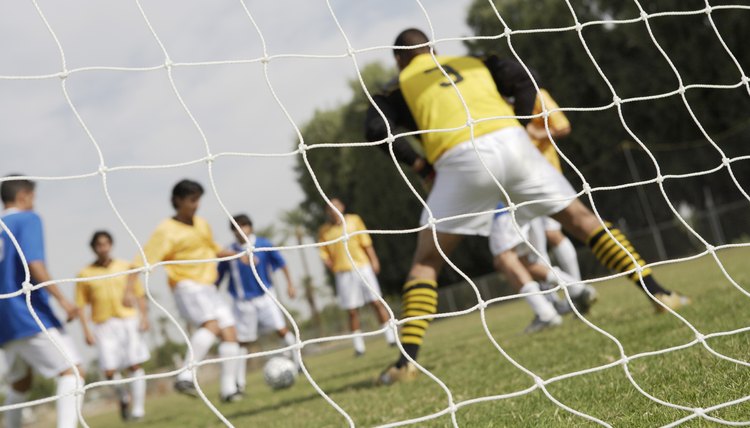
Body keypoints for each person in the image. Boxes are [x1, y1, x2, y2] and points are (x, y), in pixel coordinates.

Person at [364, 28, 690, 385]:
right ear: (434, 49)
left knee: (427, 262)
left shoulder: (396, 87)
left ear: (398, 59)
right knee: (581, 220)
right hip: (513, 142)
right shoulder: (475, 62)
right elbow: (525, 77)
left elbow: (376, 128)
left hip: (459, 157)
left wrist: (421, 166)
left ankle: (406, 362)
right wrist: (518, 122)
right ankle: (659, 292)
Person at [126, 179, 241, 402]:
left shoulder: (201, 223)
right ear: (178, 201)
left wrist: (239, 256)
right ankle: (185, 374)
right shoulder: (166, 231)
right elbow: (142, 259)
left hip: (208, 286)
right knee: (213, 325)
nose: (196, 205)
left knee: (230, 333)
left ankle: (229, 390)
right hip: (187, 286)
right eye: (191, 200)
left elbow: (213, 248)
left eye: (198, 200)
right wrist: (129, 288)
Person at [0, 175, 83, 428]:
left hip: (3, 320)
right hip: (27, 313)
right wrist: (64, 301)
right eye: (33, 197)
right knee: (74, 372)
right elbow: (34, 264)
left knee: (21, 384)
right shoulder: (28, 218)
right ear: (24, 195)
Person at [216, 214, 300, 392]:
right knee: (242, 342)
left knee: (282, 330)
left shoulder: (263, 244)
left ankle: (299, 363)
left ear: (250, 228)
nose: (240, 231)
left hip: (265, 296)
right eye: (236, 228)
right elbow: (219, 277)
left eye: (243, 226)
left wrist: (290, 284)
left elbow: (282, 264)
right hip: (242, 303)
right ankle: (239, 382)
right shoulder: (229, 251)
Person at [489, 202, 596, 333]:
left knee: (505, 258)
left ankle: (547, 312)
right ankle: (572, 292)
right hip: (528, 205)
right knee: (527, 263)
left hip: (505, 209)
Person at [76, 230, 149, 421]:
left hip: (127, 319)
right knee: (109, 370)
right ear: (93, 248)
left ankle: (138, 410)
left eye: (106, 243)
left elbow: (140, 293)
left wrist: (144, 317)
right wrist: (85, 330)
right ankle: (123, 396)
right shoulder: (85, 274)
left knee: (134, 364)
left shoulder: (125, 266)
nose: (103, 248)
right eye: (99, 244)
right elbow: (81, 305)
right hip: (103, 324)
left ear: (111, 245)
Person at [317, 197, 395, 356]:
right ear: (328, 212)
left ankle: (391, 337)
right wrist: (332, 267)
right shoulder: (324, 231)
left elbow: (366, 242)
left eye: (336, 206)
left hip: (362, 267)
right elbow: (323, 254)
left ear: (342, 207)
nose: (334, 210)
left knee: (376, 302)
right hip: (344, 273)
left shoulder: (354, 220)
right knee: (352, 310)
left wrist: (374, 260)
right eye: (330, 208)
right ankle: (359, 347)